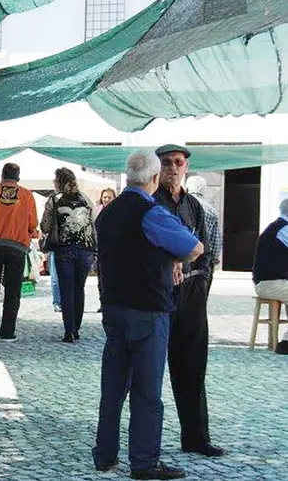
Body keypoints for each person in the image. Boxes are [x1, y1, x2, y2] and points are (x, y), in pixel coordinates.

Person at [92, 148, 203, 480]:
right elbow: (193, 248)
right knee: (147, 392)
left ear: (128, 175)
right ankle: (143, 462)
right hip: (148, 310)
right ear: (155, 178)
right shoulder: (152, 212)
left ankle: (105, 454)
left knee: (112, 387)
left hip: (113, 308)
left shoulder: (107, 213)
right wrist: (173, 260)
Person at [153, 144, 224, 458]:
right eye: (166, 162)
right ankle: (146, 442)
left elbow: (206, 252)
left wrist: (201, 282)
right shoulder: (150, 203)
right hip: (159, 293)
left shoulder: (195, 206)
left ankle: (196, 438)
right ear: (158, 167)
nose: (171, 167)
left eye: (177, 162)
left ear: (186, 167)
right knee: (150, 368)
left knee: (193, 367)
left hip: (192, 292)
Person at [0, 163, 39, 341]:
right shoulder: (27, 195)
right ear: (18, 176)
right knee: (12, 291)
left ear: (2, 175)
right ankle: (7, 332)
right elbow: (33, 223)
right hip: (17, 247)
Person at [41, 168, 97, 343]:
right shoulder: (86, 199)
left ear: (58, 181)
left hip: (64, 249)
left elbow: (46, 226)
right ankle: (77, 328)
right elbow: (94, 221)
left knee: (66, 289)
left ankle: (69, 331)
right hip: (86, 249)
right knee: (78, 288)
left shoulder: (54, 200)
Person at [252, 198, 288, 349]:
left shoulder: (277, 226)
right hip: (270, 282)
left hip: (269, 281)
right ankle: (286, 342)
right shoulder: (284, 229)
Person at [185, 175, 222, 290]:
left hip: (185, 259)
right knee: (201, 299)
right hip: (204, 262)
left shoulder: (183, 205)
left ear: (186, 189)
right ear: (204, 191)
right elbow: (216, 240)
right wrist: (213, 261)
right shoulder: (211, 210)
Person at [95, 188, 117, 313]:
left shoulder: (118, 212)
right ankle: (103, 303)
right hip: (101, 250)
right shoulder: (98, 212)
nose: (106, 200)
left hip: (114, 251)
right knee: (101, 278)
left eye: (109, 197)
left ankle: (112, 303)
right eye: (104, 197)